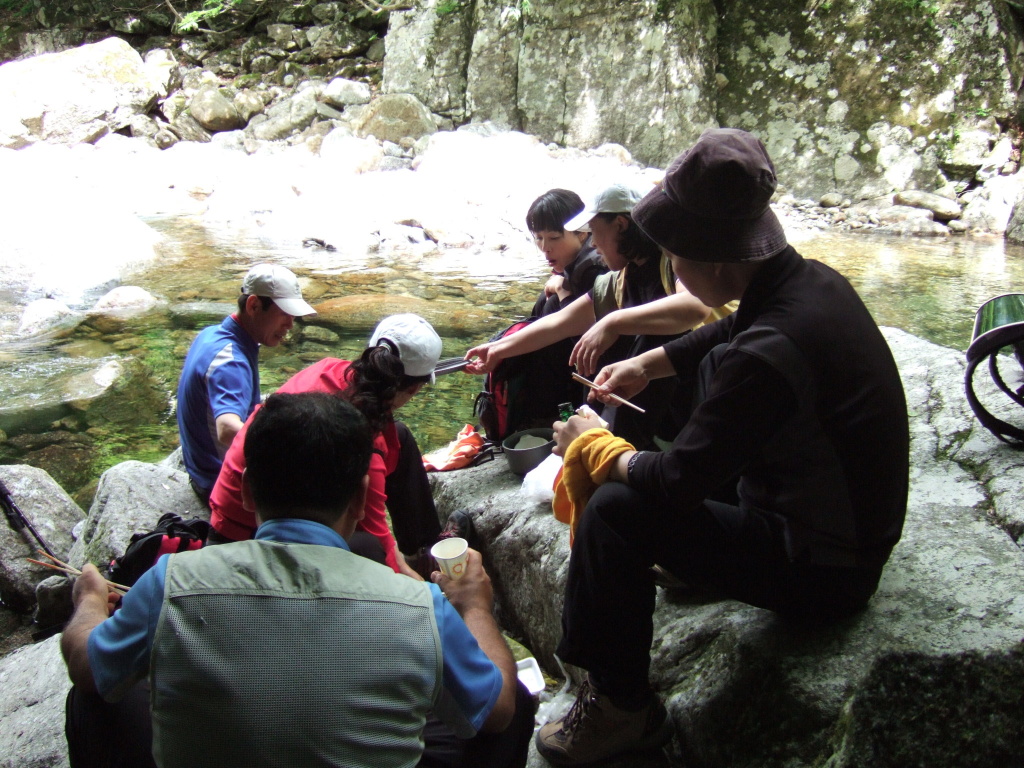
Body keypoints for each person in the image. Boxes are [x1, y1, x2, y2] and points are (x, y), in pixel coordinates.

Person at [535, 128, 910, 765]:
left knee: (613, 515)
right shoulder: (811, 283)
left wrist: (594, 444)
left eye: (675, 255)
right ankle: (690, 562)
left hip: (825, 570)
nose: (672, 268)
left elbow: (678, 478)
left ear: (712, 259)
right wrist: (649, 364)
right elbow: (734, 325)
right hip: (844, 528)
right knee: (705, 378)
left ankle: (622, 709)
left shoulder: (766, 357)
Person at [62, 391, 534, 768]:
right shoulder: (420, 605)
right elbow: (497, 714)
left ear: (245, 490)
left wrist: (88, 600)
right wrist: (473, 606)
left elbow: (87, 665)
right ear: (360, 500)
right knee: (511, 700)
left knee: (91, 697)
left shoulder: (172, 582)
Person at [465, 182, 720, 448]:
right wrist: (498, 349)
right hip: (665, 396)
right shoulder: (620, 279)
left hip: (708, 387)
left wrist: (612, 322)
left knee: (650, 340)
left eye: (594, 232)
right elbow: (560, 323)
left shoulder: (672, 259)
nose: (593, 242)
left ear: (620, 225)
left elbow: (695, 306)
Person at [208, 314, 455, 580]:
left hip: (240, 506)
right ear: (415, 389)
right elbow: (382, 551)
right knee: (370, 549)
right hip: (249, 535)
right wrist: (432, 594)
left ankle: (425, 549)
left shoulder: (328, 369)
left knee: (401, 436)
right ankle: (432, 569)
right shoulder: (366, 444)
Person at [176, 263, 315, 505]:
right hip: (217, 481)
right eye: (284, 313)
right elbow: (228, 428)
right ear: (253, 305)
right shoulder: (231, 362)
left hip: (199, 467)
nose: (290, 325)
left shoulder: (210, 334)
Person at [526, 188, 607, 318]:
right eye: (539, 238)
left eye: (554, 238)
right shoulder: (571, 266)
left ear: (582, 232)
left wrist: (563, 292)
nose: (545, 247)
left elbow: (589, 330)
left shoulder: (595, 271)